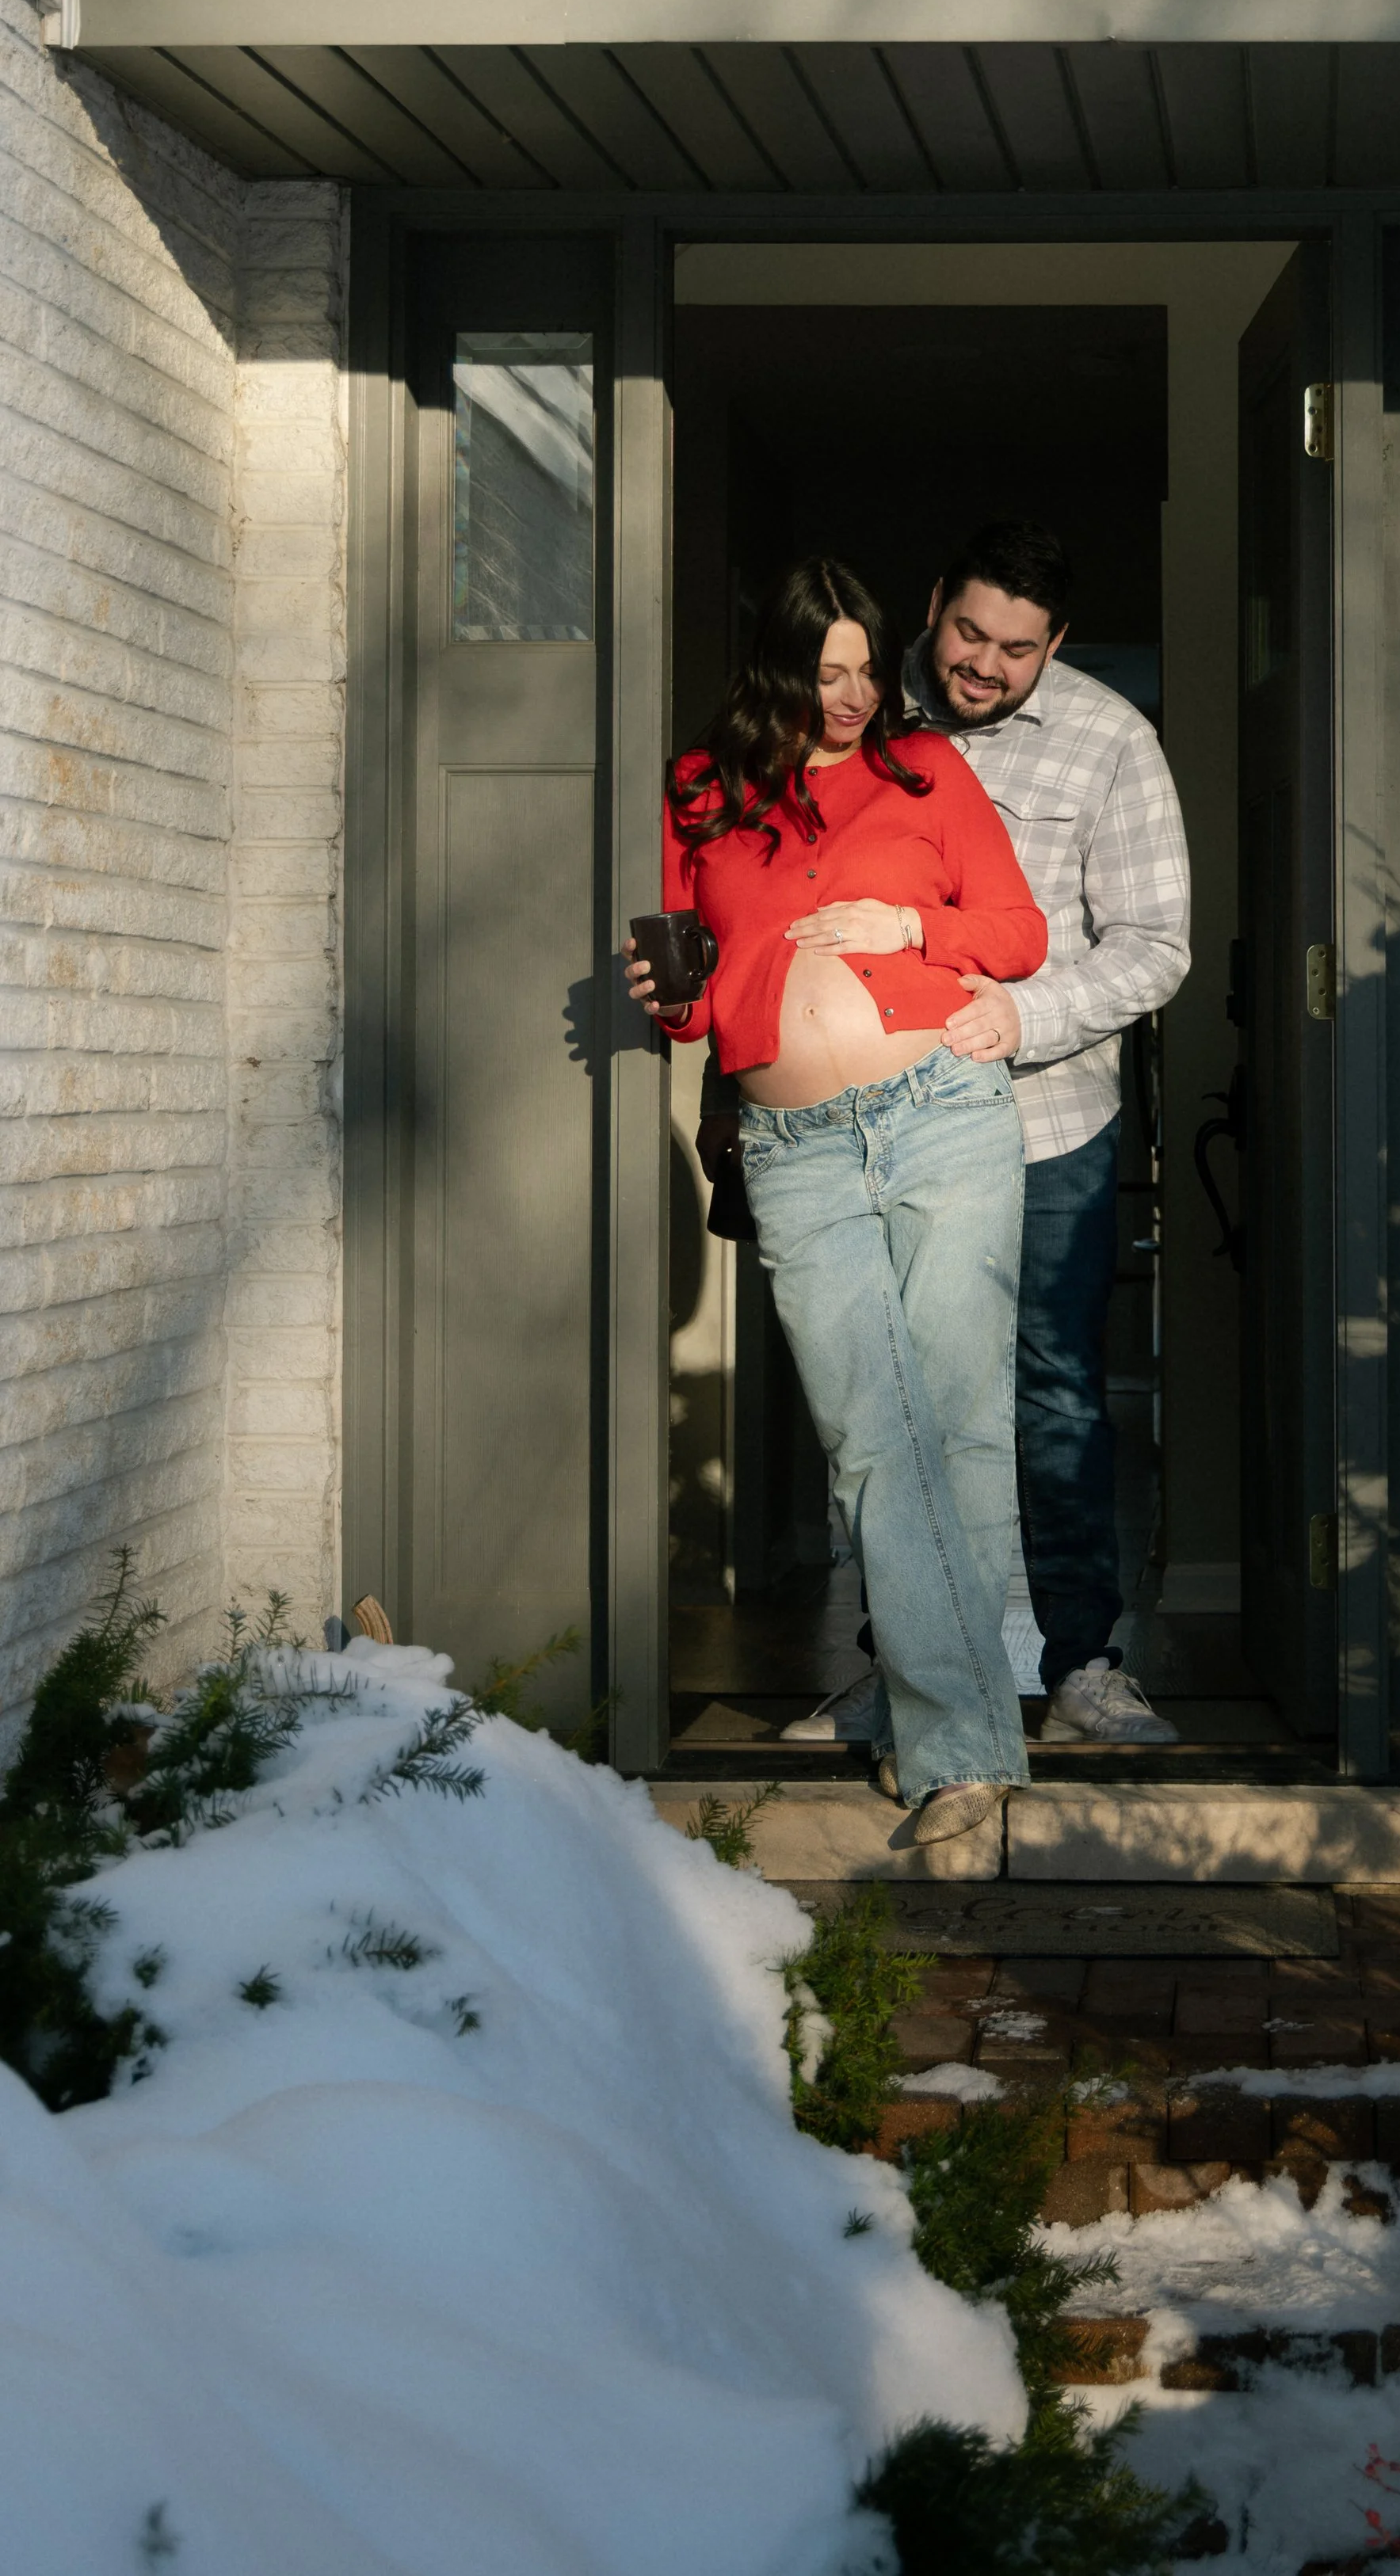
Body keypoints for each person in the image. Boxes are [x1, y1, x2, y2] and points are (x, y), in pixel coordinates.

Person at [624, 557, 1047, 1845]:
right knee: (873, 1439)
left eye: (868, 666)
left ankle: (956, 1757)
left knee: (963, 1429)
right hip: (794, 1144)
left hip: (941, 1118)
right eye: (828, 669)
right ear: (778, 666)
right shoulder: (700, 792)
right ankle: (970, 1737)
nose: (856, 692)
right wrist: (668, 993)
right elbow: (697, 994)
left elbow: (1020, 933)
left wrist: (910, 934)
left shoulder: (929, 774)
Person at [780, 518, 1192, 1749]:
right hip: (869, 1121)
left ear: (1056, 644)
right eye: (968, 632)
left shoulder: (1113, 741)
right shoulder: (854, 704)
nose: (984, 664)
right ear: (932, 605)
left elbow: (1157, 945)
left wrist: (1022, 1014)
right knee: (891, 1403)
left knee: (1054, 1393)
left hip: (1043, 1117)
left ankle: (1084, 1663)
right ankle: (900, 1666)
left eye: (1018, 648)